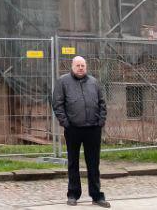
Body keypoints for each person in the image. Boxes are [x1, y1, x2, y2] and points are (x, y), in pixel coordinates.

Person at [52, 56, 109, 208]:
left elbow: (102, 103)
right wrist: (65, 123)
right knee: (73, 162)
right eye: (77, 65)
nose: (80, 68)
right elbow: (57, 104)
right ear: (72, 66)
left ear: (86, 67)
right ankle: (73, 194)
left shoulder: (94, 82)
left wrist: (100, 122)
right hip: (73, 129)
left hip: (93, 129)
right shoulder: (63, 82)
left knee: (93, 163)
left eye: (83, 65)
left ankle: (96, 195)